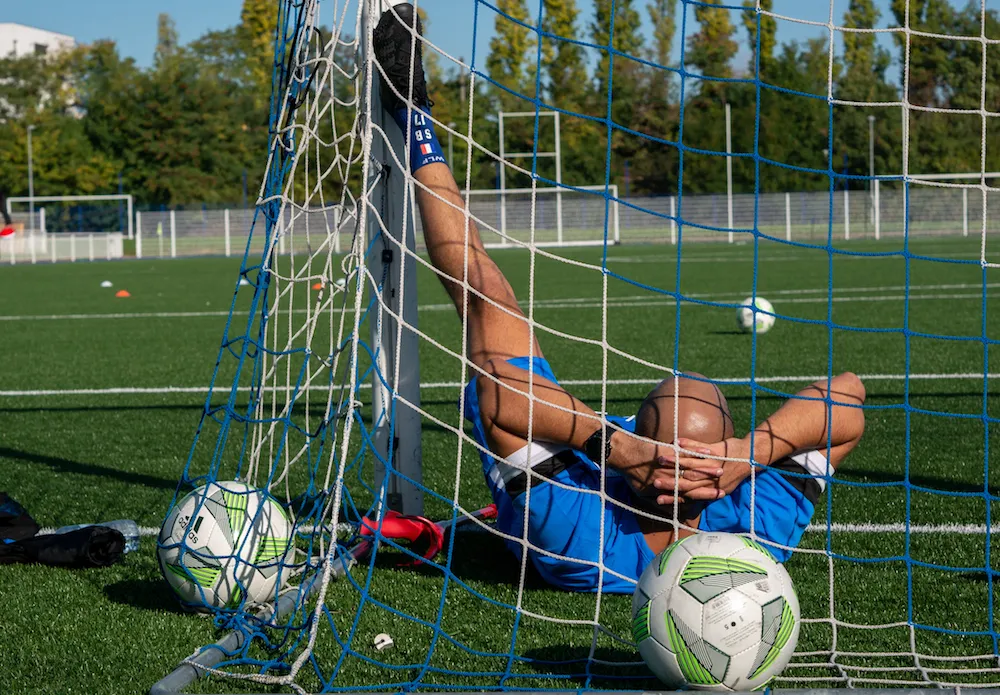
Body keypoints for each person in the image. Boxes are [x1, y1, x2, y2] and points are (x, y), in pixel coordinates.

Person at [373, 4, 867, 594]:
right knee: (486, 290)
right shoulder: (750, 534)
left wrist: (615, 445)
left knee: (486, 288)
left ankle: (412, 117)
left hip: (590, 459)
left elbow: (502, 392)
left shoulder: (581, 538)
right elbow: (848, 395)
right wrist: (747, 454)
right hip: (646, 456)